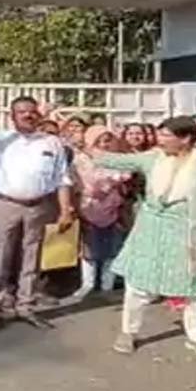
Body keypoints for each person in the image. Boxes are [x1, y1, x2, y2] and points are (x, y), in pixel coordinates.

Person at [98, 117, 196, 358]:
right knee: (139, 283)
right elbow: (115, 160)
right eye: (159, 134)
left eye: (166, 135)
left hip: (195, 233)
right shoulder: (153, 158)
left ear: (185, 139)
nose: (159, 139)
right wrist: (85, 149)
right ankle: (128, 332)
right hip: (152, 230)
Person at [0, 96, 75, 334]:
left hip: (39, 206)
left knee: (32, 258)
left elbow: (62, 178)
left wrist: (65, 210)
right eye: (21, 111)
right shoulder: (0, 139)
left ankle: (26, 306)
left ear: (38, 114)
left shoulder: (52, 142)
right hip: (6, 204)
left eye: (31, 111)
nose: (27, 115)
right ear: (12, 116)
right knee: (0, 257)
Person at [69, 126, 131, 301]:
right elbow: (81, 183)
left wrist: (112, 182)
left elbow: (125, 176)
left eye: (107, 140)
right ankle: (87, 284)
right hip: (88, 207)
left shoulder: (117, 159)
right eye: (99, 141)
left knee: (112, 247)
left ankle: (107, 284)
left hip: (114, 208)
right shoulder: (80, 160)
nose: (104, 145)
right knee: (89, 248)